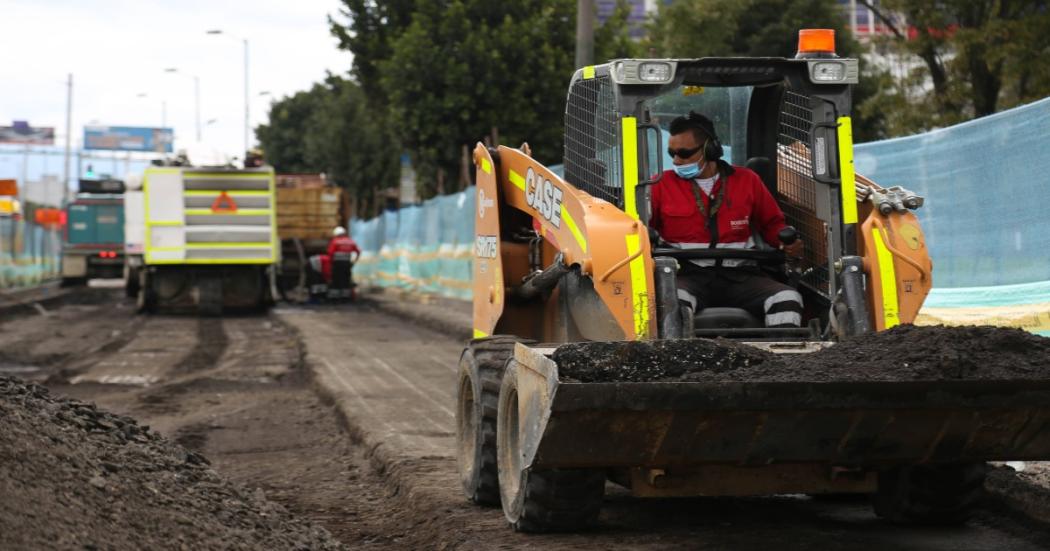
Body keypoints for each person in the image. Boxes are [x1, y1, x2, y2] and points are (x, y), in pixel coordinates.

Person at [649, 112, 805, 328]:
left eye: (683, 153)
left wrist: (785, 242)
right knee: (673, 302)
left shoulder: (747, 180)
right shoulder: (660, 184)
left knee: (787, 299)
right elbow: (642, 229)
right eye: (672, 153)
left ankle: (782, 359)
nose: (676, 160)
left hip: (741, 275)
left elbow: (772, 225)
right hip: (687, 274)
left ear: (710, 149)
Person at [325, 226, 361, 300]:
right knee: (346, 280)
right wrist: (354, 262)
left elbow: (330, 253)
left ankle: (335, 297)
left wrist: (330, 263)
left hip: (337, 264)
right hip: (347, 264)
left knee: (336, 280)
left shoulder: (335, 241)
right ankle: (345, 297)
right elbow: (358, 251)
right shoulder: (350, 241)